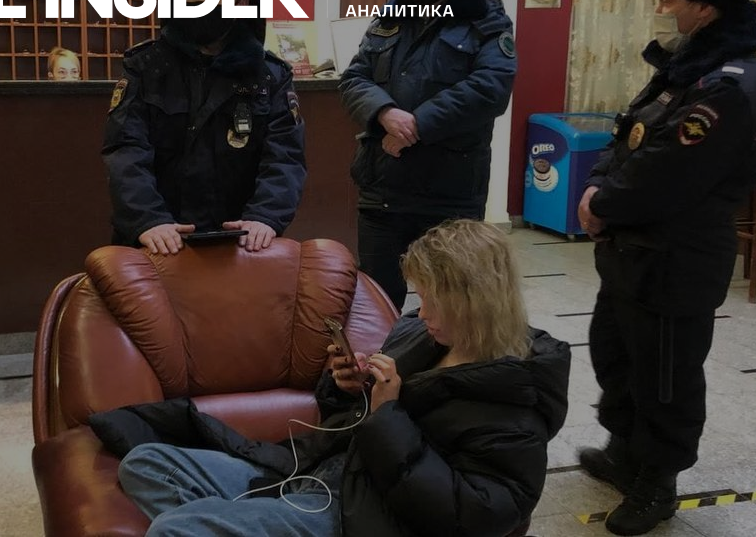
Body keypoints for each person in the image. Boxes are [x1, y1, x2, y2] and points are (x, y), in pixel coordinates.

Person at [100, 219, 570, 536]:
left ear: (474, 303)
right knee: (145, 461)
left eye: (433, 300)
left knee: (176, 528)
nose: (421, 311)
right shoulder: (420, 334)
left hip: (359, 514)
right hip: (318, 471)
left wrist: (388, 414)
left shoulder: (515, 402)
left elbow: (474, 517)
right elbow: (353, 417)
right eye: (419, 296)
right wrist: (349, 387)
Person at [575, 0, 756, 536]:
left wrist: (601, 205)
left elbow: (668, 174)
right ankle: (624, 453)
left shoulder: (729, 87)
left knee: (665, 378)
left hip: (676, 260)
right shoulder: (688, 67)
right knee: (616, 355)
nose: (661, 8)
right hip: (633, 252)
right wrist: (597, 186)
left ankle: (657, 483)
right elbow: (629, 135)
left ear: (706, 7)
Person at [340, 0, 517, 309]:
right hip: (383, 187)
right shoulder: (392, 15)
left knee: (452, 305)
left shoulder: (486, 18)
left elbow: (491, 87)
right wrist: (384, 112)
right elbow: (354, 77)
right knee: (377, 304)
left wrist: (416, 125)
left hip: (449, 194)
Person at [101, 0, 306, 255]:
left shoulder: (270, 76)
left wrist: (264, 217)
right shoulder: (146, 67)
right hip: (156, 241)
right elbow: (126, 150)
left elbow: (285, 158)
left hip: (239, 243)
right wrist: (148, 220)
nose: (200, 2)